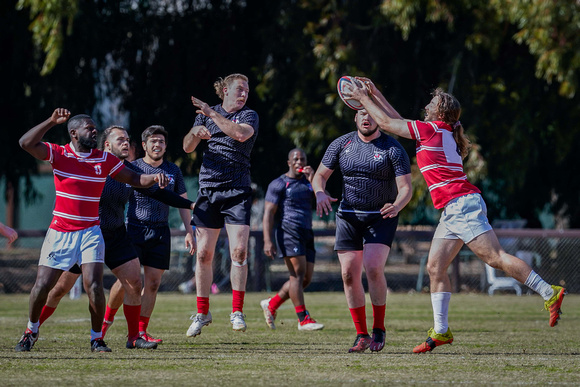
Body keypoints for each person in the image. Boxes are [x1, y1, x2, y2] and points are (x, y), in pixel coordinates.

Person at [346, 78, 567, 353]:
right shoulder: (440, 130)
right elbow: (396, 119)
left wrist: (362, 98)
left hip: (461, 204)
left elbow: (390, 125)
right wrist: (375, 93)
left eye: (433, 101)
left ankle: (549, 292)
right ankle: (441, 331)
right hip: (453, 209)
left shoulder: (432, 130)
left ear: (439, 112)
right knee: (435, 267)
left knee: (495, 258)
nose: (427, 103)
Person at [15, 109, 168, 352]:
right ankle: (31, 331)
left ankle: (97, 339)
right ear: (74, 133)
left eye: (95, 127)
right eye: (89, 128)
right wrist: (51, 121)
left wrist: (154, 178)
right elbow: (26, 143)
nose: (94, 130)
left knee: (94, 286)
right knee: (44, 287)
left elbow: (134, 179)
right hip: (61, 232)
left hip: (91, 233)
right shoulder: (59, 153)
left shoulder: (103, 159)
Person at [37, 125, 195, 350]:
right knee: (60, 289)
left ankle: (134, 337)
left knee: (134, 282)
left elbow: (158, 193)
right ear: (107, 145)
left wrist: (190, 204)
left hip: (117, 235)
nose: (126, 143)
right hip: (88, 234)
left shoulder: (127, 171)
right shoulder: (93, 166)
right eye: (120, 139)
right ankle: (32, 329)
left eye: (128, 140)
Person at [312, 109, 412, 352]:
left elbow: (406, 188)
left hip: (381, 216)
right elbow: (319, 177)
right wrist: (320, 193)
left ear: (378, 118)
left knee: (373, 267)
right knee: (348, 274)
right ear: (355, 119)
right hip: (348, 215)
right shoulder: (341, 143)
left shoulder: (392, 148)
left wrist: (397, 206)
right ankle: (361, 334)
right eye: (361, 114)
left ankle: (379, 329)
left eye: (371, 113)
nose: (366, 118)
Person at [183, 73, 259, 336]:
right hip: (208, 190)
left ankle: (237, 311)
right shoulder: (206, 114)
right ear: (225, 90)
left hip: (237, 190)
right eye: (239, 89)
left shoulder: (249, 116)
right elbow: (187, 147)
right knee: (204, 254)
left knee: (239, 251)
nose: (244, 94)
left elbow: (239, 135)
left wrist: (210, 114)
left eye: (247, 91)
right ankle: (202, 313)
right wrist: (194, 131)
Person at [121, 125, 194, 344]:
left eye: (161, 141)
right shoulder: (133, 168)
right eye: (153, 141)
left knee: (152, 284)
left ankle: (141, 332)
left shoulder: (174, 171)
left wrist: (189, 232)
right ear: (144, 145)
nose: (157, 145)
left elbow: (182, 202)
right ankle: (104, 326)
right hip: (134, 229)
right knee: (125, 283)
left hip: (161, 231)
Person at [261, 148, 324, 331]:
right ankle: (303, 319)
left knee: (305, 278)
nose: (299, 163)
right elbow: (268, 214)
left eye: (302, 159)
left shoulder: (309, 182)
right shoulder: (279, 184)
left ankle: (272, 304)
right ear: (289, 162)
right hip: (288, 231)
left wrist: (314, 178)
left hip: (307, 231)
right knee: (297, 275)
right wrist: (267, 240)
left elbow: (320, 197)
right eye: (295, 160)